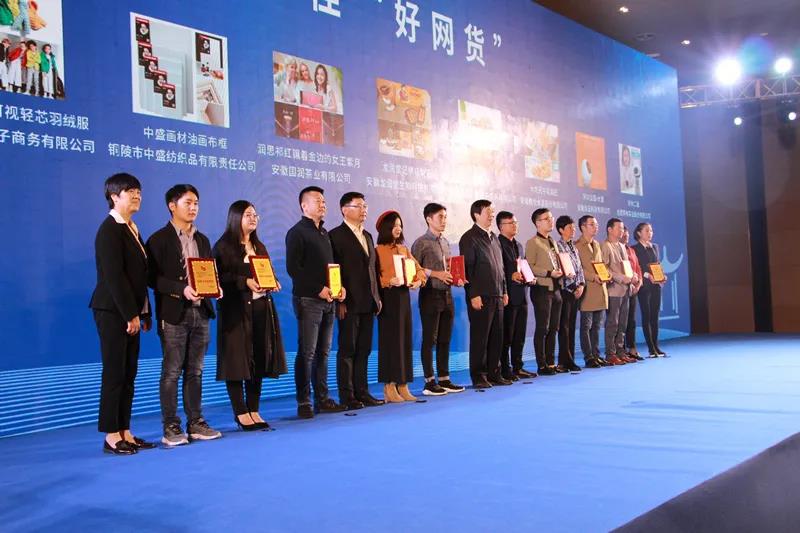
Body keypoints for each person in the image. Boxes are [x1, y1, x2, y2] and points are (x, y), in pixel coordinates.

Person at [146, 184, 221, 446]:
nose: (193, 208)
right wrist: (181, 290)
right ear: (172, 205)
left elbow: (208, 271)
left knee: (196, 371)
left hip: (201, 312)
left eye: (196, 203)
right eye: (187, 202)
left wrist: (215, 287)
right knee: (171, 372)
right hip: (174, 313)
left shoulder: (203, 240)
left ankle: (196, 422)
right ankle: (171, 425)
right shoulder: (158, 239)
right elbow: (152, 279)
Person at [90, 173, 155, 455]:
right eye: (130, 191)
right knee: (115, 372)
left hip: (130, 312)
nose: (137, 195)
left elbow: (140, 276)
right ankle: (111, 435)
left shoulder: (131, 228)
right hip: (112, 311)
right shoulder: (110, 229)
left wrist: (144, 313)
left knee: (129, 373)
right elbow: (114, 277)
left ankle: (125, 430)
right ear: (114, 197)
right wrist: (130, 314)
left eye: (139, 191)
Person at [213, 201, 288, 430]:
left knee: (258, 359)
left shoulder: (259, 246)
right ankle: (241, 412)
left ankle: (254, 409)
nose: (253, 218)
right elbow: (218, 278)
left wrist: (273, 282)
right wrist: (244, 281)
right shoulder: (223, 246)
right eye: (248, 215)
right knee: (236, 361)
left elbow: (266, 272)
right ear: (235, 217)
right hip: (235, 312)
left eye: (256, 215)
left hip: (261, 309)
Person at [286, 186, 346, 419]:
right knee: (307, 352)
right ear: (304, 206)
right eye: (318, 201)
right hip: (309, 300)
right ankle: (304, 401)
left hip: (329, 299)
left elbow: (331, 267)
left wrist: (339, 287)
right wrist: (317, 289)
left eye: (324, 201)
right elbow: (294, 268)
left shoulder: (324, 233)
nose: (323, 204)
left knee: (323, 352)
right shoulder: (297, 232)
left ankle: (322, 399)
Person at [328, 192, 383, 409]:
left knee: (364, 349)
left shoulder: (368, 236)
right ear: (344, 209)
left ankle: (363, 391)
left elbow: (372, 270)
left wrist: (377, 297)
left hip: (368, 302)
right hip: (348, 302)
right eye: (358, 206)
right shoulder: (335, 236)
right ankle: (347, 395)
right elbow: (334, 270)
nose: (364, 210)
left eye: (365, 206)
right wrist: (339, 301)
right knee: (347, 350)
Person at [411, 203, 466, 395]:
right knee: (430, 339)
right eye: (440, 217)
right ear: (429, 219)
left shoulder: (445, 242)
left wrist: (456, 279)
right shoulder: (420, 243)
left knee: (445, 339)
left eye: (445, 217)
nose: (444, 220)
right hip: (430, 295)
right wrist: (436, 274)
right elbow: (414, 268)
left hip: (447, 295)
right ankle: (429, 382)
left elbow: (448, 269)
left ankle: (444, 378)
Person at [375, 211, 426, 402]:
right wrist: (388, 281)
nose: (398, 229)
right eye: (394, 225)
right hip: (388, 298)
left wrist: (418, 281)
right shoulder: (378, 251)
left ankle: (403, 384)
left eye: (400, 225)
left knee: (405, 340)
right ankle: (389, 386)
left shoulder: (404, 250)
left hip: (404, 298)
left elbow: (419, 269)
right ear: (385, 228)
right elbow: (373, 278)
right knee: (390, 342)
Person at [459, 200, 509, 388]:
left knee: (497, 336)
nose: (492, 215)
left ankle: (494, 373)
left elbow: (501, 267)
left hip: (497, 294)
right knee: (480, 337)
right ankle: (479, 375)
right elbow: (468, 269)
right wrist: (473, 294)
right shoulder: (469, 237)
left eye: (493, 211)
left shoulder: (494, 237)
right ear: (476, 215)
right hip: (480, 295)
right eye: (488, 211)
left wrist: (504, 290)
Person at [497, 211, 537, 380]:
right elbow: (498, 270)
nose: (514, 225)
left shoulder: (519, 245)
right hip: (507, 296)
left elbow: (522, 266)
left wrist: (529, 277)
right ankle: (504, 369)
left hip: (522, 294)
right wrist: (510, 276)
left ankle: (518, 366)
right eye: (510, 223)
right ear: (501, 227)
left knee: (519, 334)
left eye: (515, 222)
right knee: (507, 335)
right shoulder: (497, 244)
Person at [525, 208, 564, 376]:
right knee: (543, 327)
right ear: (537, 223)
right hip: (542, 289)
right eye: (546, 218)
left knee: (554, 327)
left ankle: (551, 361)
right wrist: (549, 273)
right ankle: (541, 364)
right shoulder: (532, 242)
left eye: (551, 218)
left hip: (556, 288)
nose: (550, 221)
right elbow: (530, 266)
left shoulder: (552, 241)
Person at [575, 215, 609, 368]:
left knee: (597, 326)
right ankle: (588, 357)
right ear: (583, 227)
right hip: (587, 290)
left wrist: (606, 274)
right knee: (586, 326)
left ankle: (596, 354)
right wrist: (593, 276)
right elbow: (578, 269)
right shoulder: (577, 246)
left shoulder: (597, 244)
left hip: (600, 289)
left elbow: (601, 265)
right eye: (592, 224)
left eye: (596, 224)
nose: (596, 227)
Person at [601, 218, 635, 365]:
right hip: (613, 290)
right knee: (612, 323)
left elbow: (626, 266)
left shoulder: (622, 246)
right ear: (610, 229)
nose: (622, 231)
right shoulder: (605, 246)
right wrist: (621, 278)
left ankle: (621, 351)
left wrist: (633, 276)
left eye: (622, 228)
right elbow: (603, 268)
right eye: (619, 228)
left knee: (622, 323)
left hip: (626, 289)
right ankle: (610, 353)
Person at [555, 215, 585, 372]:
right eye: (569, 228)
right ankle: (564, 360)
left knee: (572, 326)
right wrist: (574, 287)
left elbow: (580, 269)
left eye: (573, 227)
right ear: (561, 230)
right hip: (566, 291)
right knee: (564, 327)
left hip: (577, 291)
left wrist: (582, 285)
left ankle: (570, 358)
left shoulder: (574, 247)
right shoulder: (558, 247)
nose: (573, 230)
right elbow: (563, 271)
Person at [633, 222, 667, 357]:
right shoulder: (634, 249)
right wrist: (648, 276)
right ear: (639, 233)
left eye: (651, 231)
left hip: (656, 286)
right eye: (647, 231)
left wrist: (661, 276)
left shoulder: (655, 247)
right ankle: (651, 348)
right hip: (644, 286)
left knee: (655, 316)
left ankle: (656, 346)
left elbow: (656, 265)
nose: (650, 233)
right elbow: (638, 267)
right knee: (646, 315)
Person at [622, 226, 645, 361]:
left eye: (627, 234)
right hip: (622, 288)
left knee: (631, 320)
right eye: (623, 234)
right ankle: (620, 349)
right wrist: (629, 282)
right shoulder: (616, 250)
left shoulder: (631, 250)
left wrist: (639, 282)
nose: (626, 236)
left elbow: (638, 268)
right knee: (620, 321)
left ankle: (632, 348)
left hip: (633, 290)